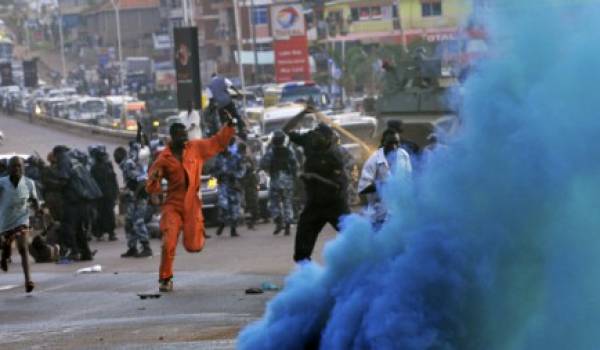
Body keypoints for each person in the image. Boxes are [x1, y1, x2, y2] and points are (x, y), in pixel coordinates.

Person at [146, 118, 236, 292]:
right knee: (168, 241)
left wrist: (229, 126)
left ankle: (196, 237)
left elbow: (217, 142)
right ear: (172, 137)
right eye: (180, 136)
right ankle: (165, 278)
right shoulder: (163, 158)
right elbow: (153, 179)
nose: (184, 139)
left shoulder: (196, 148)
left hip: (192, 203)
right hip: (173, 203)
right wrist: (155, 194)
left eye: (185, 135)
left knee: (194, 246)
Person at [283, 107, 351, 262]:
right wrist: (302, 113)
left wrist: (314, 177)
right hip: (314, 203)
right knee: (301, 249)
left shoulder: (335, 156)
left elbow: (337, 186)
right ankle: (307, 277)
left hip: (335, 204)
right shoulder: (309, 142)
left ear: (328, 139)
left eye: (319, 136)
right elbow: (285, 130)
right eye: (314, 135)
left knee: (354, 239)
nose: (315, 139)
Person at [358, 128, 412, 228]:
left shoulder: (404, 156)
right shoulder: (373, 160)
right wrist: (380, 186)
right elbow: (362, 188)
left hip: (399, 211)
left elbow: (408, 179)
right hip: (379, 214)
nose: (394, 147)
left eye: (397, 143)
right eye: (390, 143)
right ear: (383, 143)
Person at [0, 157, 38, 293]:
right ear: (8, 168)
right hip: (4, 221)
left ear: (23, 168)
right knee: (5, 245)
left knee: (23, 248)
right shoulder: (2, 183)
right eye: (13, 166)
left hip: (21, 220)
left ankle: (28, 280)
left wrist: (37, 209)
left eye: (19, 166)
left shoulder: (29, 183)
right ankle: (4, 257)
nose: (16, 169)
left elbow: (34, 200)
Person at [114, 146, 153, 258]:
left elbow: (142, 180)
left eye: (116, 157)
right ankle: (132, 248)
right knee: (129, 222)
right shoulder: (126, 165)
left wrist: (135, 196)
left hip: (139, 198)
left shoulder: (128, 165)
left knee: (138, 222)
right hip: (134, 198)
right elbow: (132, 182)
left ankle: (146, 248)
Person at [260, 130, 298, 236]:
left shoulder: (271, 151)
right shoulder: (289, 151)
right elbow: (295, 165)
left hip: (275, 180)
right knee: (287, 203)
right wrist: (294, 177)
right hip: (287, 181)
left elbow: (263, 164)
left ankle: (278, 221)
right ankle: (287, 226)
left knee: (273, 203)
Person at [214, 139, 246, 237]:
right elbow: (214, 172)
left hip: (233, 184)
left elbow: (242, 169)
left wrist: (236, 175)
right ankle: (222, 223)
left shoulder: (236, 157)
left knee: (234, 207)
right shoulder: (218, 158)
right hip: (223, 184)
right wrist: (217, 176)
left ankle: (233, 229)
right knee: (223, 206)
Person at [90, 146, 119, 241]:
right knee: (100, 214)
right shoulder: (94, 168)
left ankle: (110, 232)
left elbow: (113, 180)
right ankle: (100, 232)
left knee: (108, 213)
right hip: (100, 195)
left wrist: (115, 192)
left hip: (108, 194)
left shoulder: (108, 166)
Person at [208, 73, 246, 137]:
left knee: (222, 119)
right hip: (228, 101)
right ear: (216, 76)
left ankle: (225, 132)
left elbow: (211, 99)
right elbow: (231, 86)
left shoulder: (210, 86)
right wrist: (238, 92)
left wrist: (211, 108)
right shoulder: (223, 79)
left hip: (219, 105)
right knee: (235, 115)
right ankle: (241, 129)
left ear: (211, 78)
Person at [238, 142, 260, 230]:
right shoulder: (244, 159)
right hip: (247, 184)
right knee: (250, 203)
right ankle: (250, 222)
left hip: (247, 184)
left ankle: (250, 222)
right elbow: (253, 170)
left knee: (248, 204)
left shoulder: (242, 158)